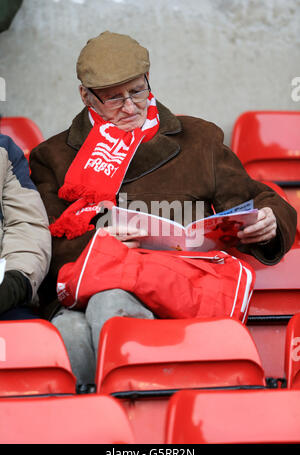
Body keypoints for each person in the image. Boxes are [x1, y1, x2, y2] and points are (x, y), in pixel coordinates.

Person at [30, 31, 297, 385]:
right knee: (70, 330)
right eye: (113, 98)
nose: (129, 107)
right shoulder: (53, 156)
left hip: (178, 288)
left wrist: (268, 221)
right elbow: (43, 240)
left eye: (137, 91)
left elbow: (258, 199)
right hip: (91, 283)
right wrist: (100, 244)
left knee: (105, 307)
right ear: (86, 96)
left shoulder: (198, 139)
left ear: (148, 81)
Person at [0, 133, 51, 320]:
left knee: (33, 338)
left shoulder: (4, 150)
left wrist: (16, 280)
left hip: (4, 299)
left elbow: (27, 225)